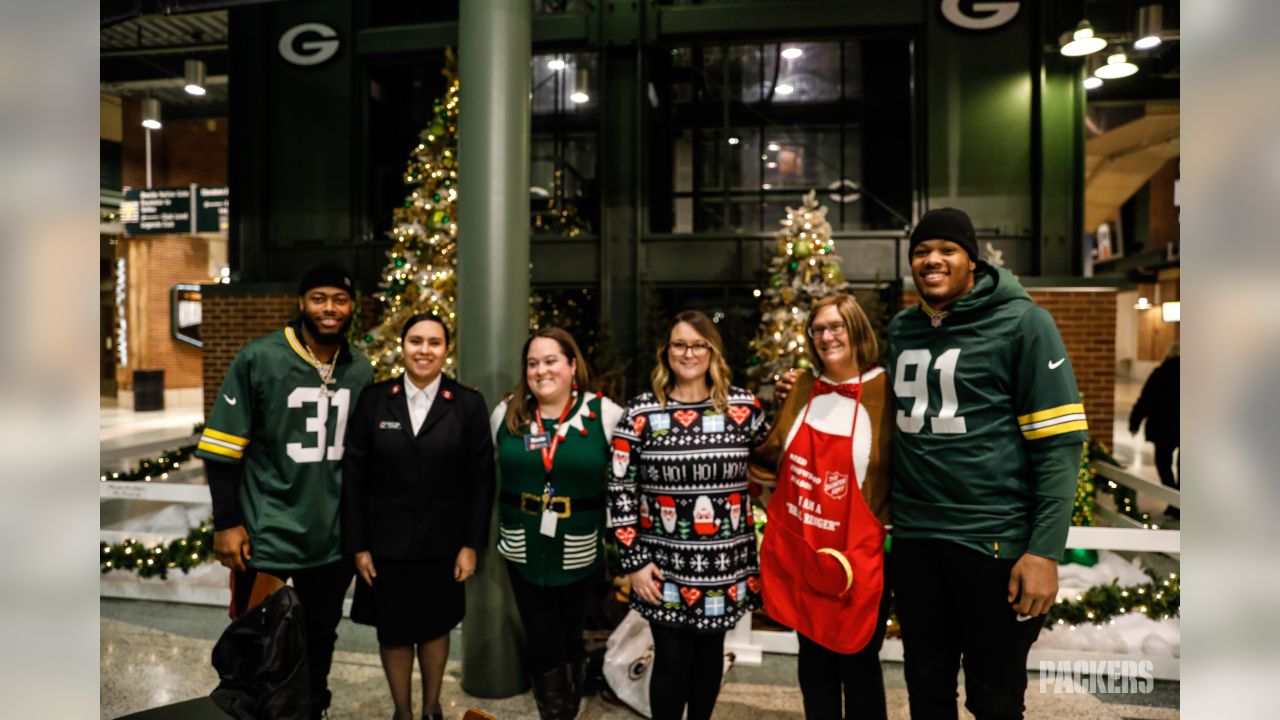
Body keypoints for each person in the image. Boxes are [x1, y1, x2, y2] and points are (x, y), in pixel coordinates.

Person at [888, 208, 1086, 719]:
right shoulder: (904, 328)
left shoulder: (1024, 323)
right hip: (916, 540)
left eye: (946, 250)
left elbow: (1059, 444)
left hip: (992, 543)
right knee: (925, 689)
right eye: (921, 251)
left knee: (994, 698)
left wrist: (1044, 551)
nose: (932, 259)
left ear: (971, 261)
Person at [198, 260, 374, 720]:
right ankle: (251, 712)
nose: (329, 308)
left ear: (351, 306)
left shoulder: (360, 369)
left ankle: (311, 709)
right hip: (267, 535)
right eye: (319, 298)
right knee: (257, 638)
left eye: (339, 299)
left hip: (330, 539)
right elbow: (222, 451)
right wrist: (226, 522)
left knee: (321, 636)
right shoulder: (260, 358)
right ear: (302, 303)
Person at [608, 310, 768, 720]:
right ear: (666, 352)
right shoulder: (641, 413)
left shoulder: (743, 408)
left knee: (710, 655)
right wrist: (635, 563)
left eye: (699, 344)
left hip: (724, 565)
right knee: (671, 659)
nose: (689, 353)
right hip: (662, 567)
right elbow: (620, 490)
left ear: (713, 352)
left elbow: (774, 466)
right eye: (679, 344)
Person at [340, 313, 495, 720]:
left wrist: (470, 545)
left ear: (447, 349)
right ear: (402, 346)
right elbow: (353, 477)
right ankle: (403, 714)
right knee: (392, 632)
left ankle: (430, 710)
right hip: (384, 545)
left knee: (435, 627)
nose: (424, 350)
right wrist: (357, 546)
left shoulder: (467, 403)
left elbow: (482, 481)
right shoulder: (375, 400)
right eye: (416, 341)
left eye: (434, 342)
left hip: (443, 546)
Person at [749, 293, 893, 720]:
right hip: (805, 554)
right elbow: (770, 459)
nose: (827, 337)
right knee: (812, 663)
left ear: (857, 330)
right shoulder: (799, 389)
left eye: (836, 326)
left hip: (859, 559)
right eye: (818, 330)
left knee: (860, 663)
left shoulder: (888, 392)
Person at [491, 327, 624, 720]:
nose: (541, 371)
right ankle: (554, 710)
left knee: (570, 632)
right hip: (522, 543)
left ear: (571, 365)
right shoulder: (507, 411)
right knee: (540, 632)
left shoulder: (604, 413)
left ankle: (572, 698)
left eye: (551, 361)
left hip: (579, 545)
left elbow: (623, 482)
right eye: (532, 363)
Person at [1129, 343, 1179, 518]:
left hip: (1164, 427)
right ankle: (1180, 501)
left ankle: (1174, 499)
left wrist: (1134, 422)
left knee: (1163, 462)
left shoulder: (1161, 373)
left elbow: (1146, 399)